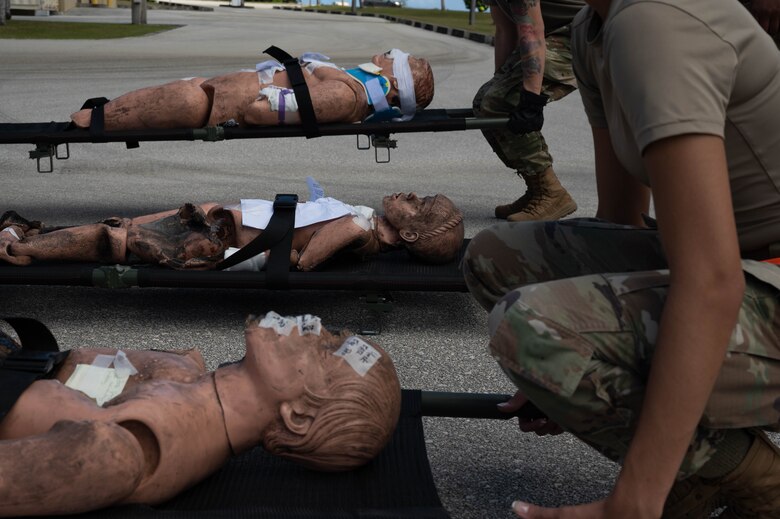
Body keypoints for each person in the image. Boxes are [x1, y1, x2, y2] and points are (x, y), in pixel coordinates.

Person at [463, 0, 780, 517]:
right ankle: (697, 462)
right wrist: (579, 376)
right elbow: (621, 220)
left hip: (750, 273)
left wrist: (633, 501)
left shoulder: (652, 22)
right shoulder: (596, 29)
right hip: (740, 264)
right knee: (497, 256)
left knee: (531, 328)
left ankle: (752, 477)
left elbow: (710, 284)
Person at [0, 311, 401, 516]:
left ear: (297, 415)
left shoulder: (122, 450)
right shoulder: (182, 373)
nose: (314, 325)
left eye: (326, 349)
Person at [0, 191, 464, 271]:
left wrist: (231, 259)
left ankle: (21, 249)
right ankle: (28, 237)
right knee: (118, 227)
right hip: (221, 221)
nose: (410, 195)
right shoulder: (363, 224)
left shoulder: (359, 227)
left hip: (220, 237)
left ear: (409, 236)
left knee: (114, 240)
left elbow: (306, 260)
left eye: (419, 206)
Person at [69, 49, 434, 131]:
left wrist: (312, 66)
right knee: (173, 93)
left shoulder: (346, 96)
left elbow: (260, 113)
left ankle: (94, 120)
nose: (382, 54)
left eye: (392, 57)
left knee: (176, 97)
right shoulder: (347, 86)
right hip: (214, 92)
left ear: (394, 84)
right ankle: (99, 116)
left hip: (211, 103)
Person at [473, 0, 583, 222]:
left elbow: (531, 30)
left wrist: (530, 99)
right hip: (552, 34)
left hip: (586, 31)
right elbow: (505, 29)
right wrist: (499, 82)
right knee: (485, 103)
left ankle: (551, 193)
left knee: (502, 101)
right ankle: (536, 189)